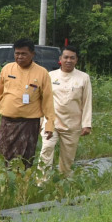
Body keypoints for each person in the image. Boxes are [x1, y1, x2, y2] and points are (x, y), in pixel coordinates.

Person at [0, 38, 55, 168]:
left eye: (23, 54)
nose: (19, 57)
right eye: (17, 53)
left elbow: (47, 100)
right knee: (3, 156)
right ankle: (6, 184)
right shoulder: (7, 69)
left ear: (32, 54)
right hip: (7, 122)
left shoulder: (42, 73)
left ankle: (22, 185)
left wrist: (50, 124)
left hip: (29, 124)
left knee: (24, 159)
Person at [39, 44, 92, 181]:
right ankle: (41, 182)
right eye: (66, 57)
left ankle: (65, 182)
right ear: (60, 59)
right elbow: (43, 100)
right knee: (47, 148)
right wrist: (40, 121)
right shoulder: (50, 76)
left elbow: (87, 101)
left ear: (76, 60)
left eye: (72, 58)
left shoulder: (83, 78)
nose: (68, 60)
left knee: (68, 158)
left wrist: (87, 124)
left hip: (72, 124)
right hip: (51, 122)